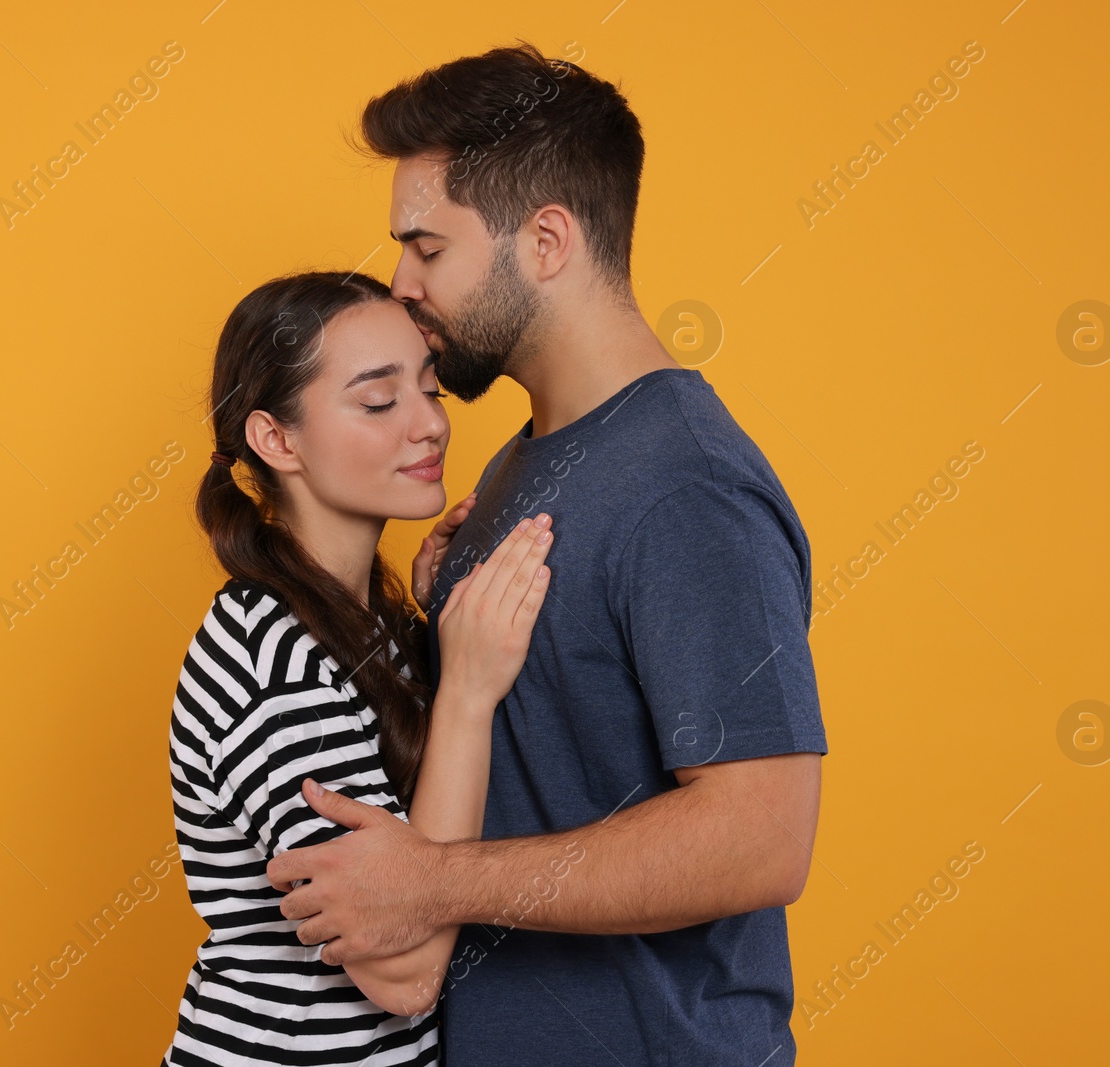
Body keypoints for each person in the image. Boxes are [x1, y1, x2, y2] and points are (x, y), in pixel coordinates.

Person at [264, 43, 830, 1066]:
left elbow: (762, 835)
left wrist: (434, 879)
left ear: (547, 239)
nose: (401, 282)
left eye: (427, 247)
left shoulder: (686, 486)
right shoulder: (523, 460)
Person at [160, 269, 556, 1066]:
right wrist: (468, 693)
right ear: (277, 439)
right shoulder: (271, 660)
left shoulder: (361, 622)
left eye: (431, 390)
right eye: (379, 402)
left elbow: (417, 829)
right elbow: (404, 974)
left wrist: (431, 639)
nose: (428, 426)